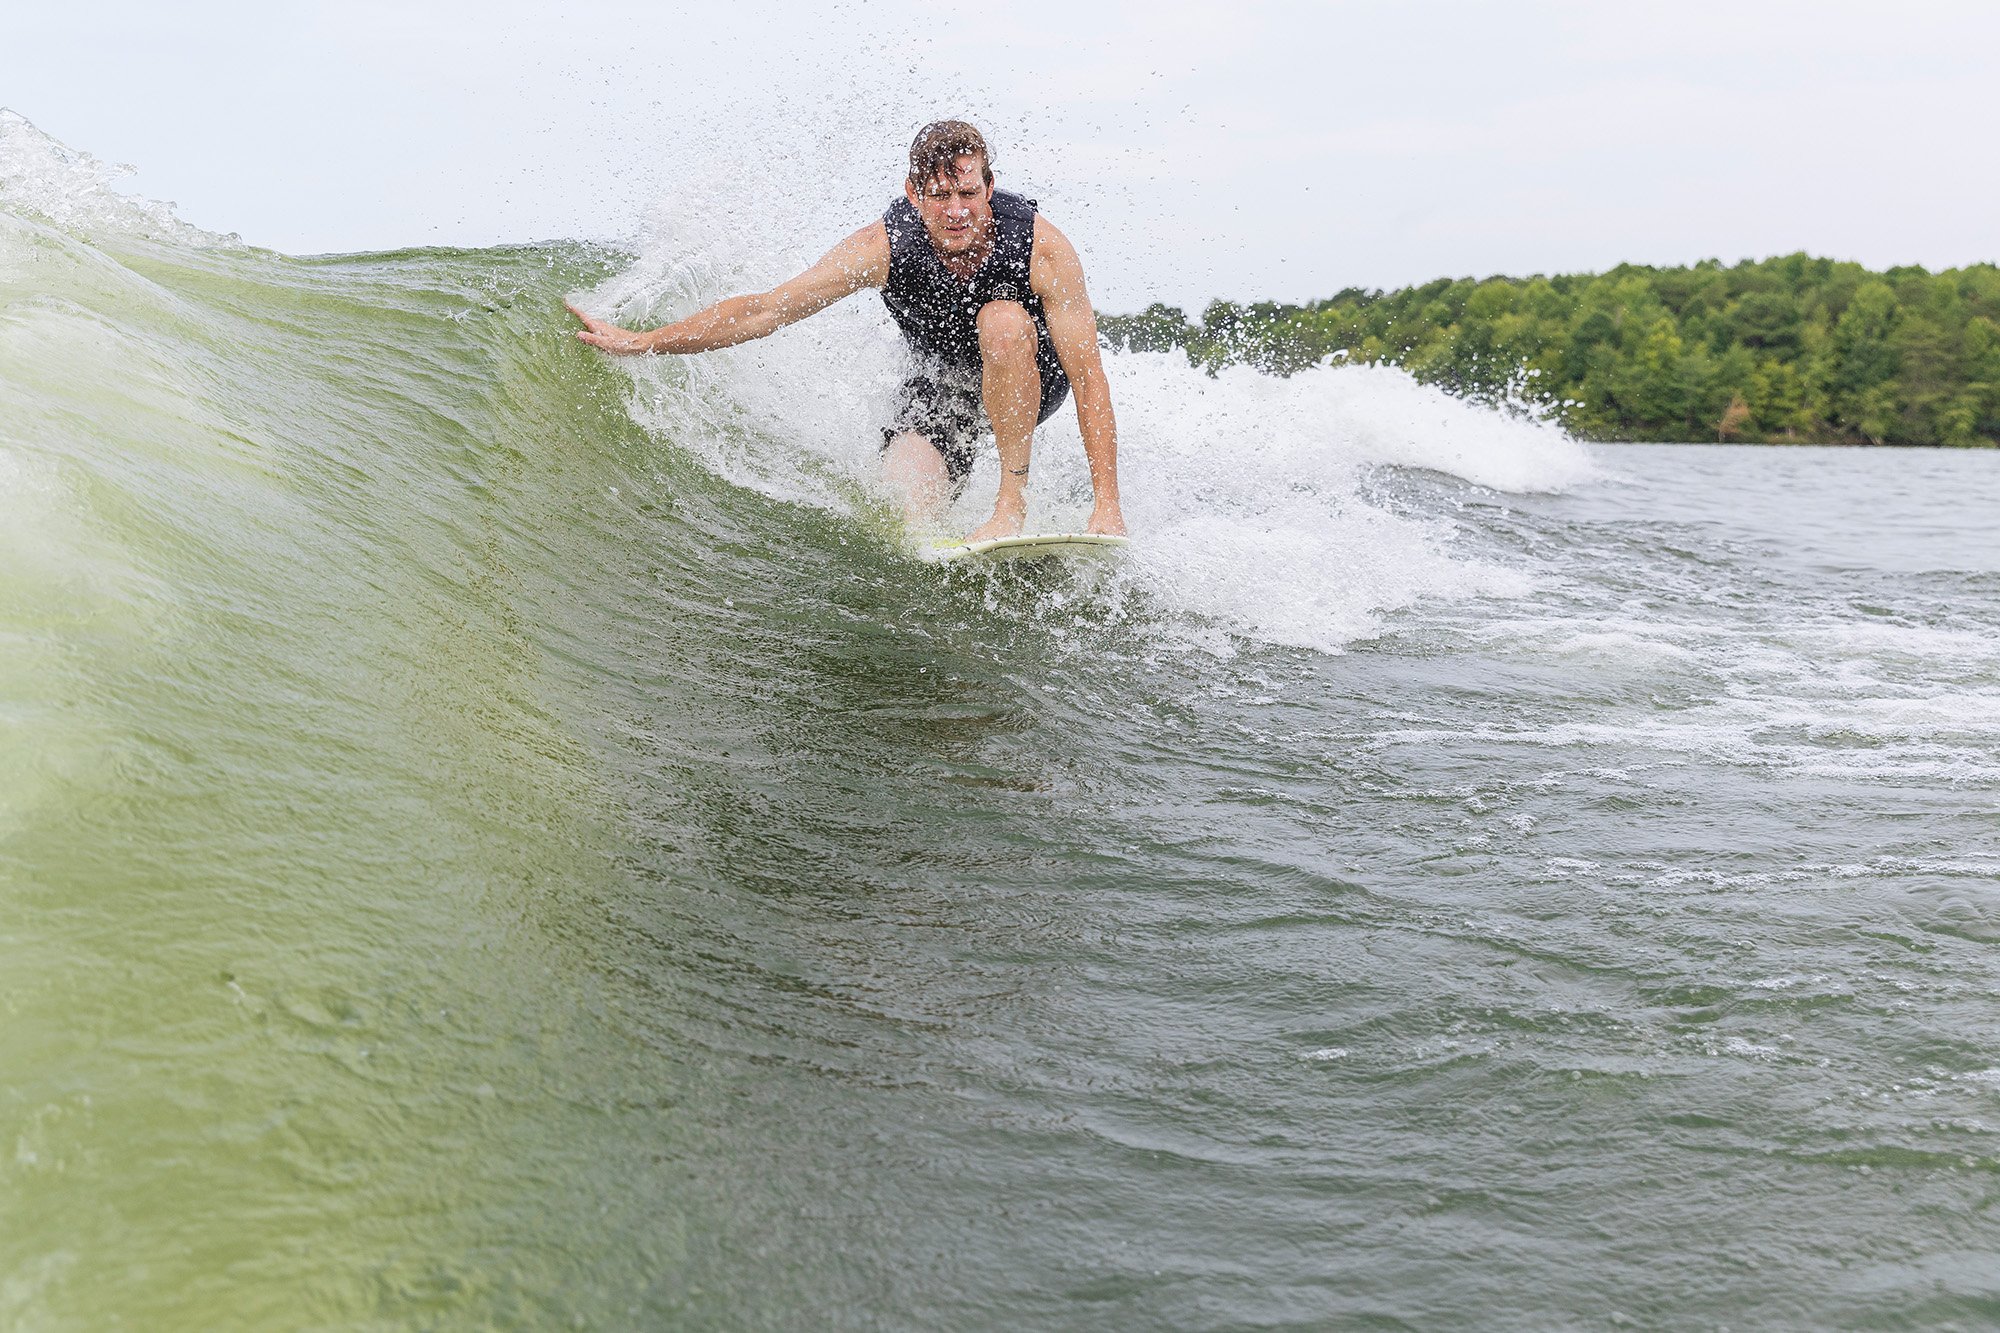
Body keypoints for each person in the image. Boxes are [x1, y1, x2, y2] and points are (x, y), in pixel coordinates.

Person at [567, 120, 1126, 543]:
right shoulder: (882, 248)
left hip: (1034, 374)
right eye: (940, 195)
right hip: (942, 390)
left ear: (988, 186)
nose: (956, 211)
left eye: (968, 193)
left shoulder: (1040, 248)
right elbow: (767, 310)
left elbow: (1089, 377)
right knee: (906, 511)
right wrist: (643, 342)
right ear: (914, 194)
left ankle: (1011, 503)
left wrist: (1107, 505)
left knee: (1000, 321)